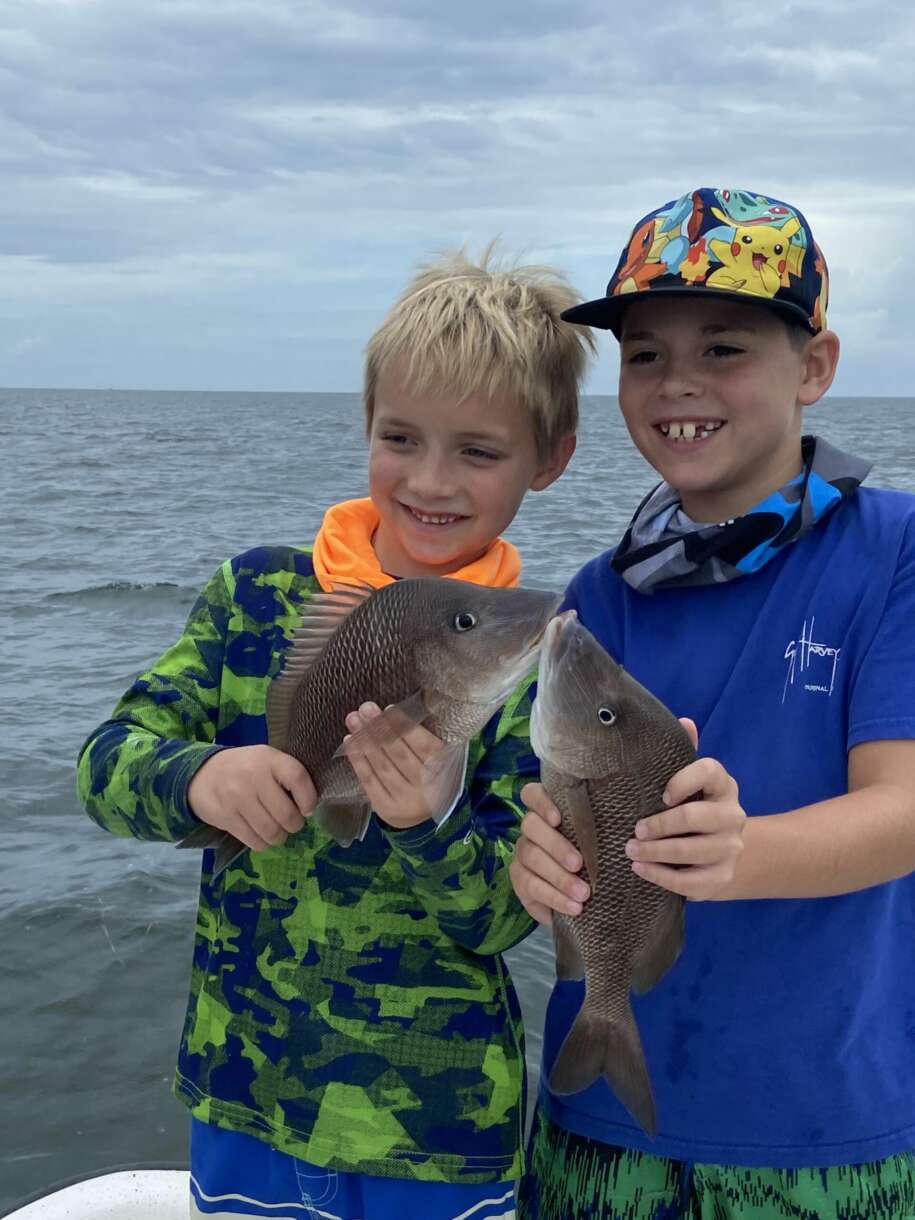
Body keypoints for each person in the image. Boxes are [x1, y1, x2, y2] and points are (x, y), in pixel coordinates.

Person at [75, 246, 595, 1220]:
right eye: (402, 436)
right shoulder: (254, 597)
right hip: (247, 1093)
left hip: (435, 1133)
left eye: (479, 450)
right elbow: (106, 761)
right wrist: (200, 780)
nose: (431, 478)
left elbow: (502, 916)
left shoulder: (540, 660)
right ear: (366, 426)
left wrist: (434, 812)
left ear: (551, 456)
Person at [509, 187, 915, 1220]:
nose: (677, 383)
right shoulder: (596, 598)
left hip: (826, 1128)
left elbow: (902, 807)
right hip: (594, 1118)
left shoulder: (893, 552)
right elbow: (558, 821)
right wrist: (536, 862)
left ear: (813, 367)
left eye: (724, 347)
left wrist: (743, 854)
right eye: (645, 355)